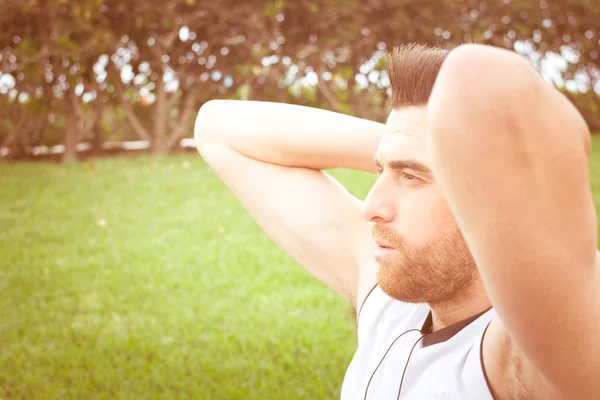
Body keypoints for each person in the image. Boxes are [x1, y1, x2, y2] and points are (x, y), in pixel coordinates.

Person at [193, 43, 598, 399]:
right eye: (382, 170)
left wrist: (453, 153)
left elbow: (480, 74)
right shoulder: (390, 301)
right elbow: (218, 128)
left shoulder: (521, 362)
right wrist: (409, 144)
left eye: (411, 177)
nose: (372, 206)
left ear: (491, 199)